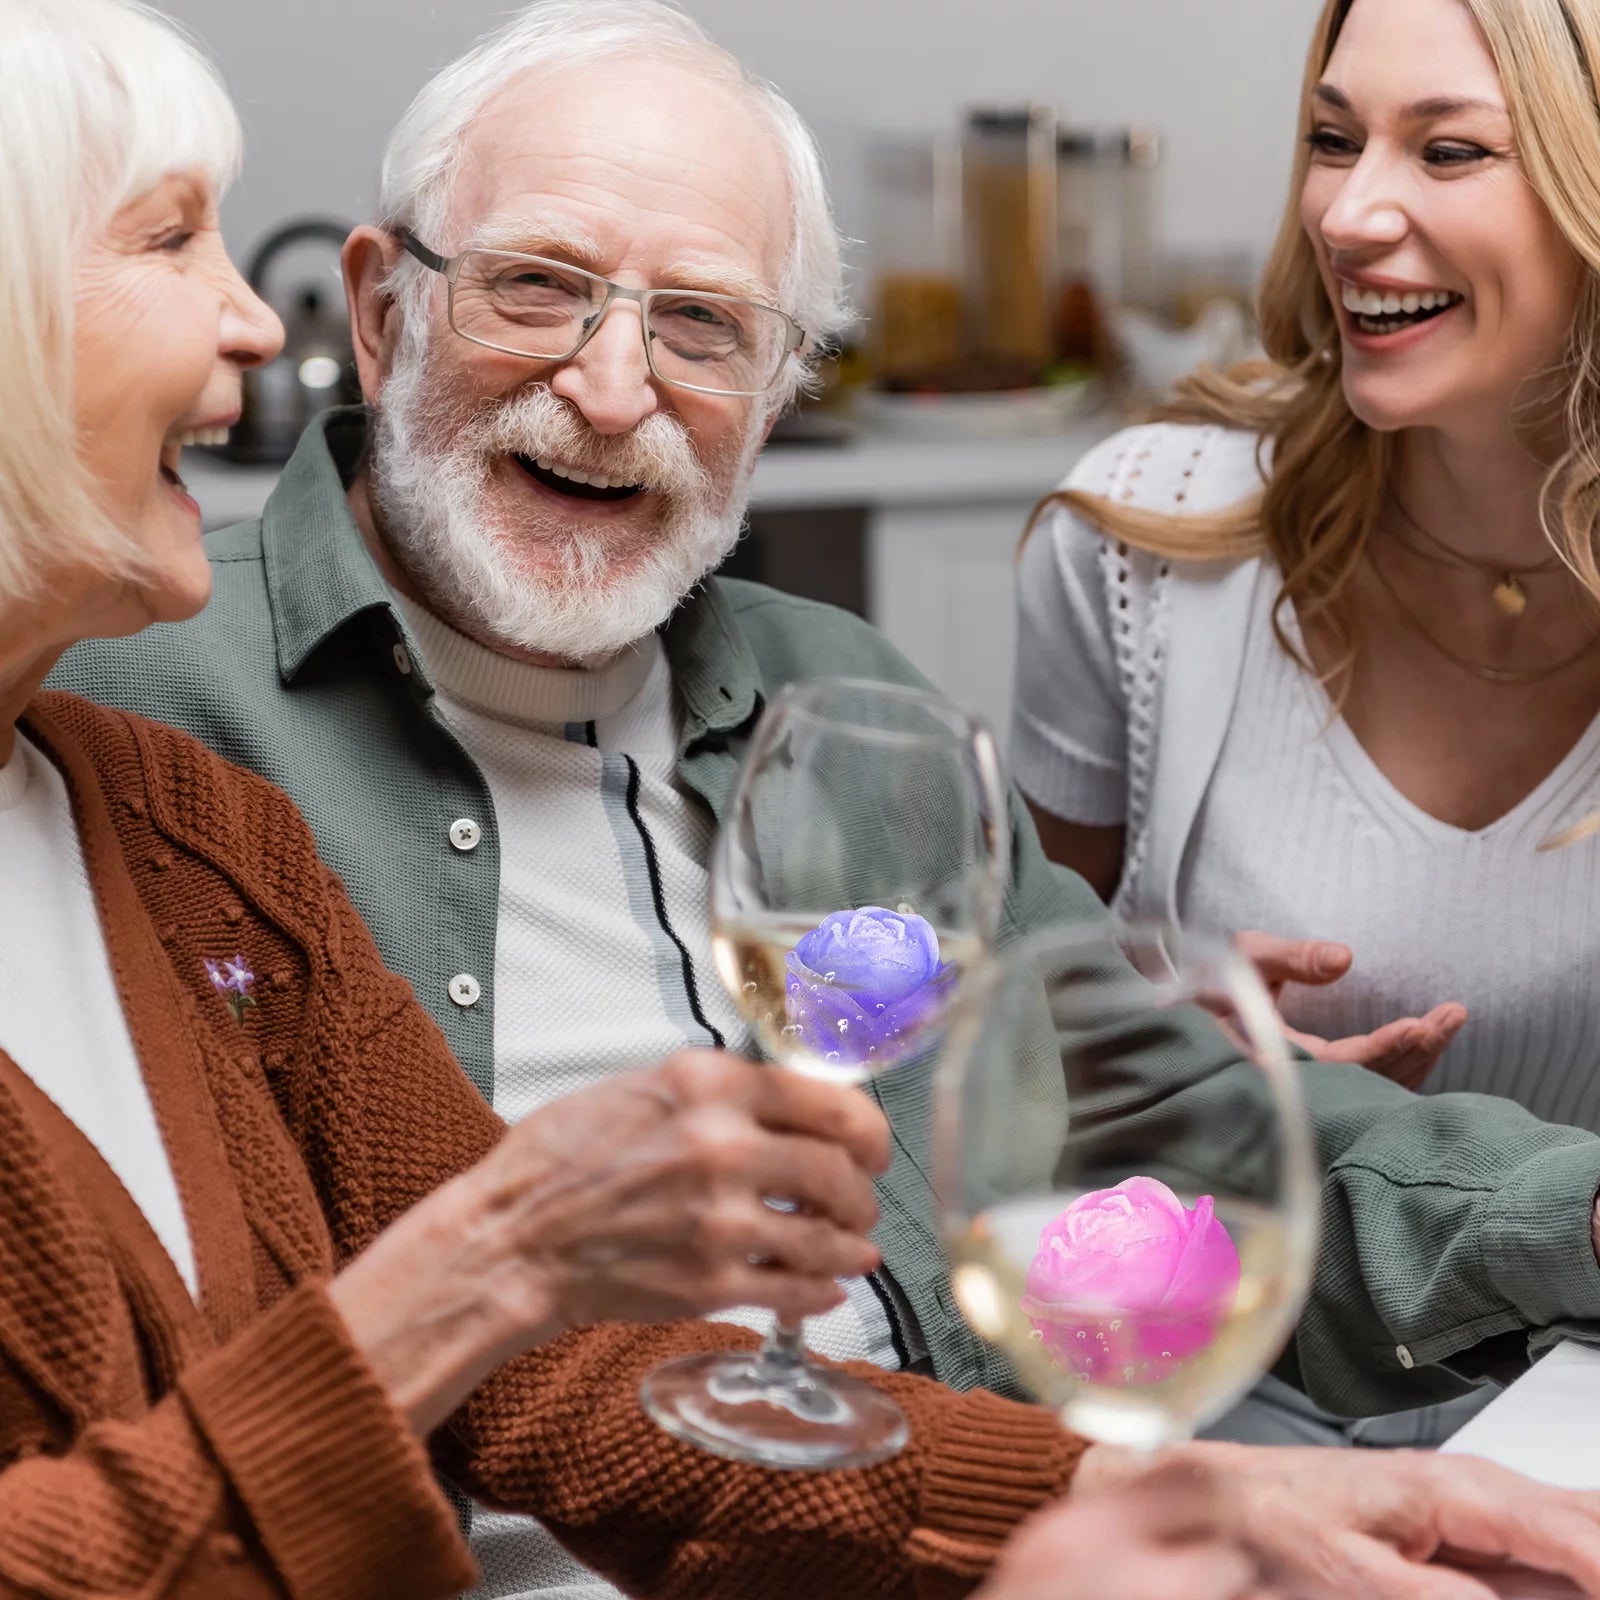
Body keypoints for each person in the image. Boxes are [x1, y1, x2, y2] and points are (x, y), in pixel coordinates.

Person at [48, 0, 1600, 1596]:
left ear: (781, 392)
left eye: (707, 328)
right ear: (381, 313)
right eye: (540, 288)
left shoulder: (838, 710)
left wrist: (1581, 1220)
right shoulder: (137, 714)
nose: (610, 387)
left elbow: (1163, 1119)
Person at [0, 2, 1102, 1594]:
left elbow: (553, 1393)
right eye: (172, 240)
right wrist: (493, 1257)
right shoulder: (184, 721)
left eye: (706, 326)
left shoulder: (173, 827)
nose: (254, 323)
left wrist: (1136, 1500)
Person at [1010, 0, 1600, 1451]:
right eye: (1332, 140)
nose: (1348, 210)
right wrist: (1150, 1044)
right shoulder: (1148, 548)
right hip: (1200, 1411)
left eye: (1449, 150)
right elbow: (992, 1040)